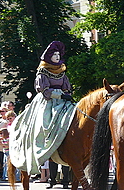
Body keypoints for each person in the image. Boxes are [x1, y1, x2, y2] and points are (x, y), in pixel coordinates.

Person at [9, 41, 75, 176]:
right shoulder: (42, 72)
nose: (57, 57)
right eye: (54, 55)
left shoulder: (62, 71)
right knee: (44, 122)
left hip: (63, 101)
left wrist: (67, 94)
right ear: (48, 57)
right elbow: (44, 92)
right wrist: (60, 96)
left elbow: (66, 87)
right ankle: (41, 147)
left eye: (58, 54)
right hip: (47, 102)